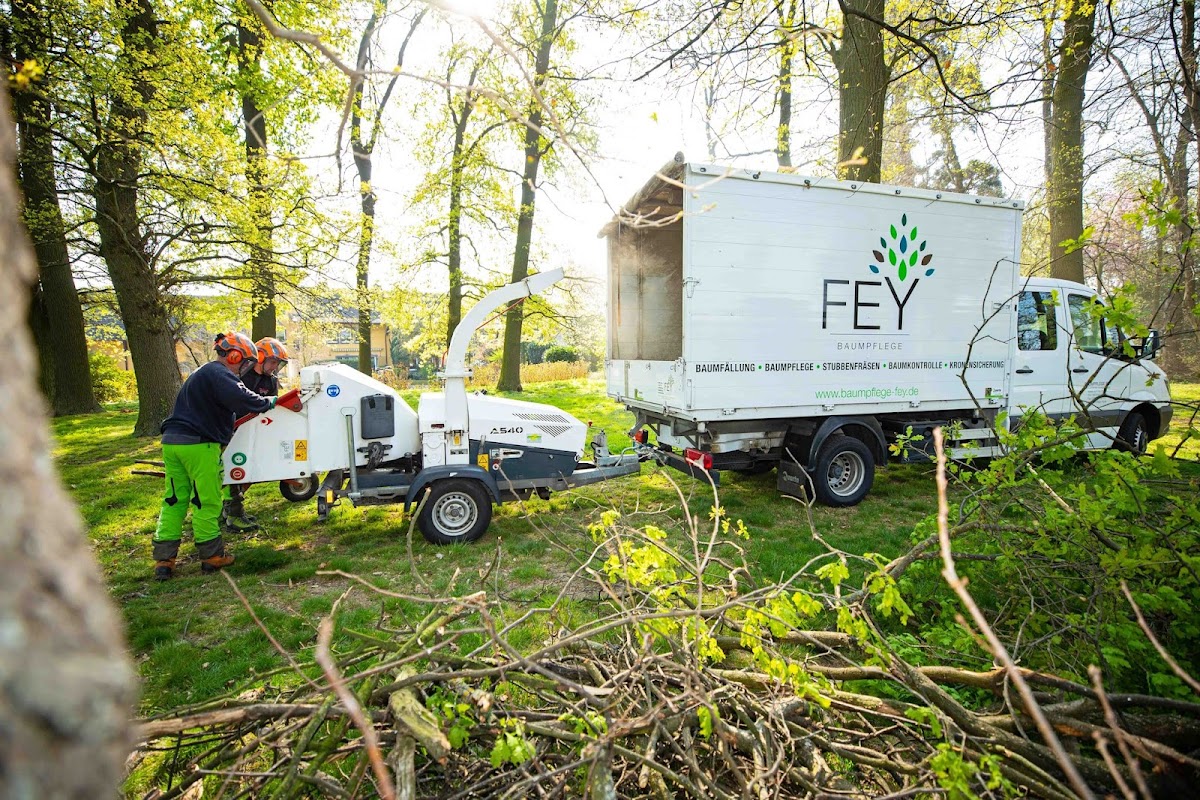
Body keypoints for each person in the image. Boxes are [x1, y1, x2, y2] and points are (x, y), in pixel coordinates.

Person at [152, 332, 276, 580]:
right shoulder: (219, 373)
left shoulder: (203, 373)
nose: (244, 368)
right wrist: (268, 402)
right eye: (245, 362)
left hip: (173, 442)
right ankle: (211, 556)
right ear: (234, 356)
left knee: (174, 500)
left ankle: (164, 560)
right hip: (200, 444)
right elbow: (241, 397)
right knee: (206, 500)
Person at [221, 337, 290, 532]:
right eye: (273, 362)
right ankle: (229, 507)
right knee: (232, 467)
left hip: (257, 428)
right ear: (260, 357)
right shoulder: (242, 375)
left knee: (249, 468)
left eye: (278, 364)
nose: (275, 367)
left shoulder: (271, 381)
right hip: (234, 427)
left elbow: (272, 405)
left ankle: (233, 504)